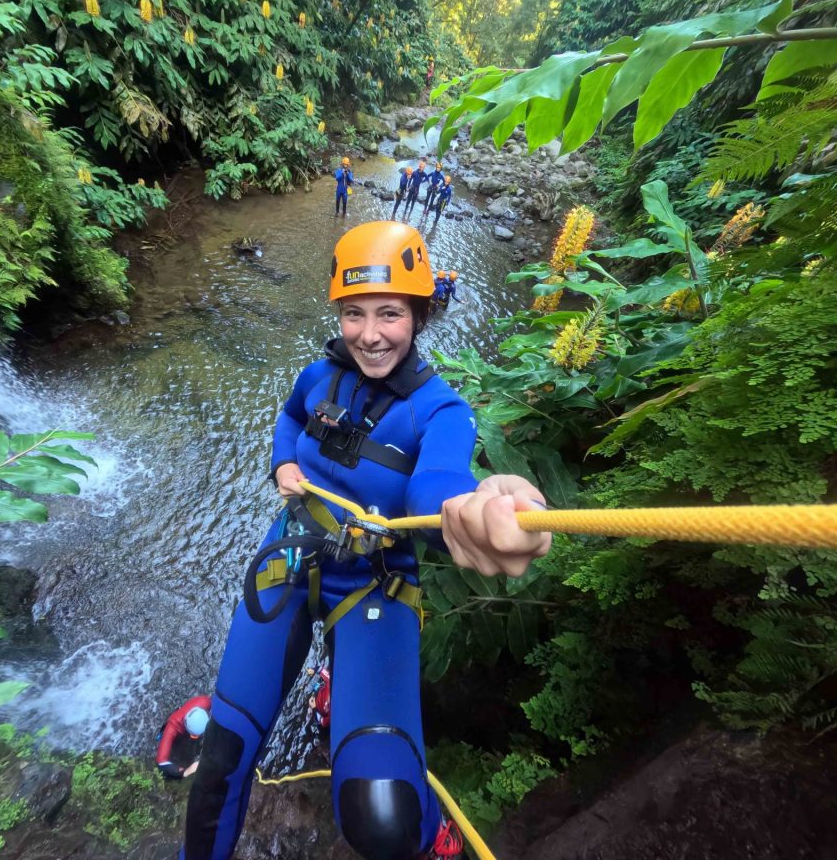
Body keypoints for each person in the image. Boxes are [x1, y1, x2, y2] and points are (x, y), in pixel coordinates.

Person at [181, 221, 552, 860]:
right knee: (219, 760)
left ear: (419, 315)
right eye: (354, 314)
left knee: (379, 819)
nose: (369, 335)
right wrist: (281, 465)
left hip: (374, 585)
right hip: (291, 557)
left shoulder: (440, 412)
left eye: (389, 313)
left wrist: (469, 509)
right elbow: (291, 418)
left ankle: (429, 824)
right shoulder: (318, 379)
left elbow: (435, 486)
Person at [157, 696, 212, 780]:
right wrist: (182, 772)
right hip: (177, 723)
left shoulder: (205, 701)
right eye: (195, 736)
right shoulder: (172, 727)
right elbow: (161, 762)